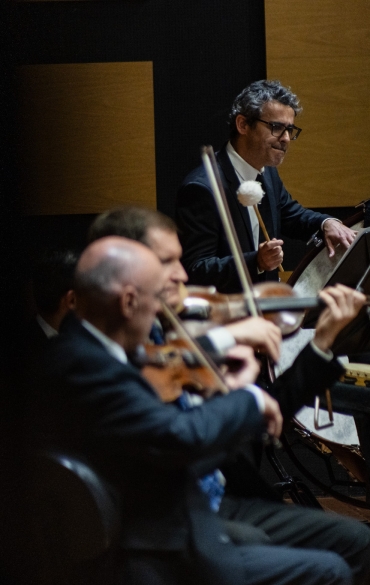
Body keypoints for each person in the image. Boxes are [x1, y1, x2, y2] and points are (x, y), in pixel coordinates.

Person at [28, 236, 368, 585]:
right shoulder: (100, 359)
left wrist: (318, 345)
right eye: (165, 264)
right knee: (328, 568)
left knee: (358, 542)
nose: (182, 274)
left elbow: (241, 424)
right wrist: (243, 393)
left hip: (210, 495)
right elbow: (184, 438)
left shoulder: (148, 344)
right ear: (128, 292)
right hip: (171, 522)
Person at [176, 79, 357, 293]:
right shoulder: (202, 188)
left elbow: (290, 213)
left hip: (268, 305)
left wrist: (325, 223)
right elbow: (195, 270)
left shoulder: (267, 171)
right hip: (229, 312)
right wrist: (256, 262)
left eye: (290, 129)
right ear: (243, 124)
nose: (286, 138)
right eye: (277, 127)